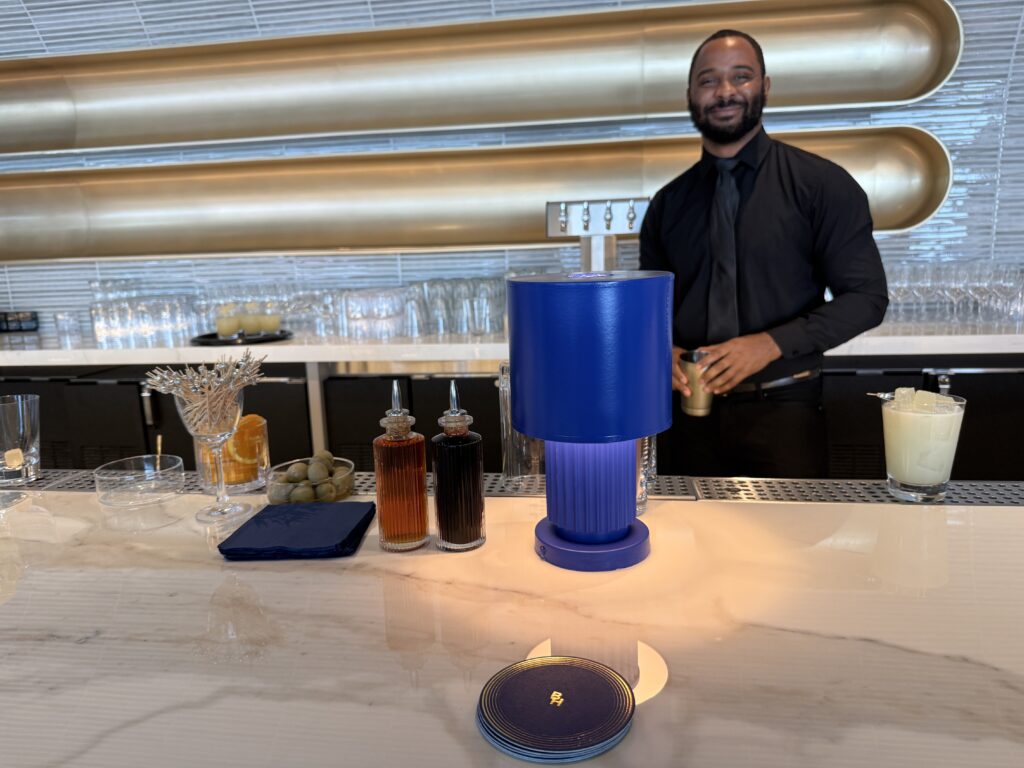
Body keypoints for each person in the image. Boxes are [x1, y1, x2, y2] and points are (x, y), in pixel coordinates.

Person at [639, 29, 888, 478]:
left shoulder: (822, 186)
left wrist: (770, 344)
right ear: (691, 94)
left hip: (785, 414)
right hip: (684, 419)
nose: (725, 92)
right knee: (683, 527)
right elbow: (648, 312)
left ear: (765, 86)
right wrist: (663, 350)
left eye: (741, 76)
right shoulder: (667, 204)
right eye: (709, 80)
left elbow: (867, 299)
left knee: (787, 528)